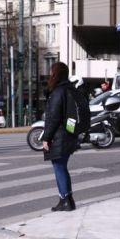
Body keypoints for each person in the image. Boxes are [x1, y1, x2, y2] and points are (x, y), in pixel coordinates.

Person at [41, 63, 86, 212]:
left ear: (55, 73)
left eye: (51, 71)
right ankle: (67, 199)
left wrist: (46, 138)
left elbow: (54, 117)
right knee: (62, 167)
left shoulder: (58, 91)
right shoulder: (71, 88)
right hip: (69, 133)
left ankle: (65, 200)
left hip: (59, 136)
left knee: (59, 168)